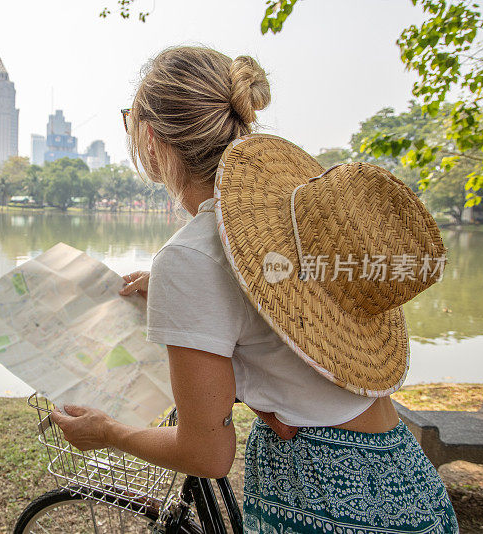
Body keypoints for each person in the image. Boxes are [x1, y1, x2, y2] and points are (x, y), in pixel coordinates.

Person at [50, 46, 458, 533]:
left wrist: (107, 432)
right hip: (404, 478)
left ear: (152, 139)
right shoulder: (288, 215)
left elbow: (206, 452)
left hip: (322, 497)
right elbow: (272, 292)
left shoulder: (190, 257)